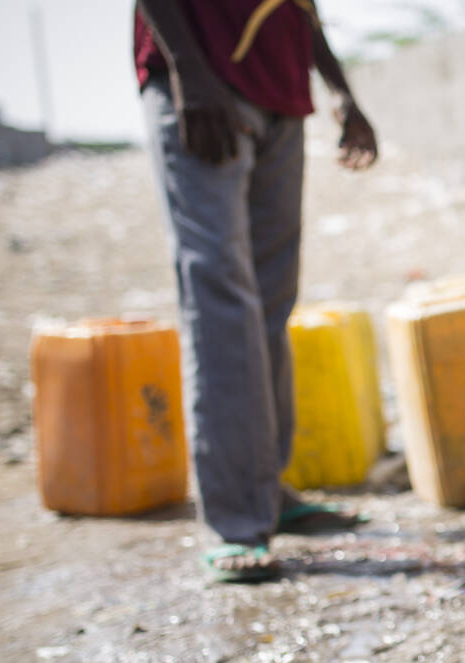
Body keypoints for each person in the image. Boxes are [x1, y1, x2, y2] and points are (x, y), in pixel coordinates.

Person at [134, 0, 377, 583]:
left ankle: (265, 488)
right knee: (222, 303)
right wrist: (189, 72)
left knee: (270, 303)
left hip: (280, 92)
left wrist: (338, 87)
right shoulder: (194, 75)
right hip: (203, 83)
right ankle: (237, 521)